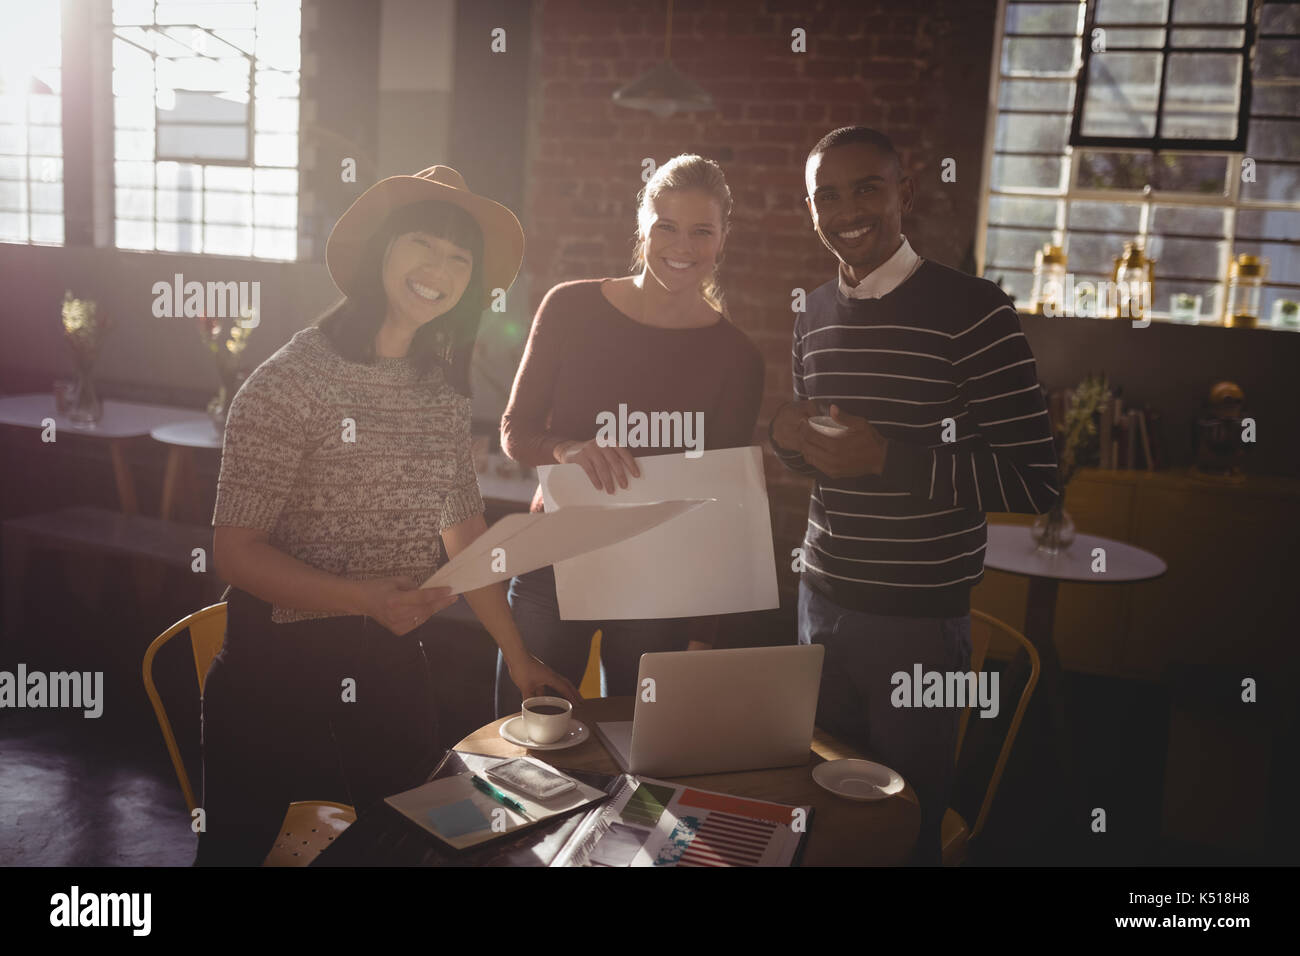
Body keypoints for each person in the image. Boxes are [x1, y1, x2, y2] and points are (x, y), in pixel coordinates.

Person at [199, 165, 579, 867]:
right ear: (381, 250)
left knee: (418, 854)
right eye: (422, 245)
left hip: (392, 674)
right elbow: (235, 554)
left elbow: (464, 533)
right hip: (271, 682)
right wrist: (362, 599)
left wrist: (521, 659)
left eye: (459, 258)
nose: (440, 269)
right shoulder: (288, 381)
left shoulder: (437, 394)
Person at [768, 127, 1060, 865]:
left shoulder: (977, 309)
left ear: (906, 191)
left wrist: (892, 461)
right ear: (811, 210)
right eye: (825, 195)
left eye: (866, 187)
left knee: (904, 836)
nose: (847, 210)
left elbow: (1036, 480)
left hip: (919, 629)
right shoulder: (811, 310)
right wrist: (785, 436)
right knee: (819, 828)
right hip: (817, 608)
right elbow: (823, 453)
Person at [494, 153, 765, 718]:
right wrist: (566, 449)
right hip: (554, 567)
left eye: (701, 231)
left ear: (722, 239)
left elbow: (723, 504)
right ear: (642, 226)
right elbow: (516, 432)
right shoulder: (569, 307)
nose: (682, 246)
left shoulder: (737, 357)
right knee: (526, 746)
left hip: (659, 587)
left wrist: (702, 634)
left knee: (639, 756)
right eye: (666, 225)